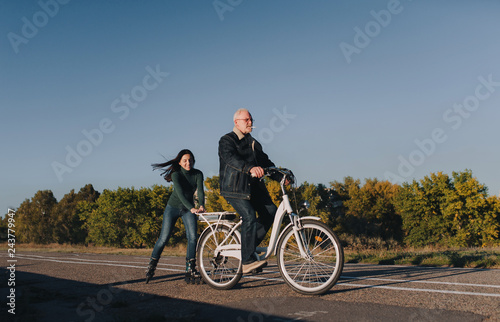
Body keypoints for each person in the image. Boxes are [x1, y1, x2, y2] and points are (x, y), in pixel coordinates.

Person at [218, 108, 285, 274]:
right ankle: (247, 260)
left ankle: (248, 249)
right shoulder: (227, 140)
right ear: (236, 122)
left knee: (271, 213)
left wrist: (281, 175)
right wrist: (250, 168)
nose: (250, 122)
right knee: (249, 215)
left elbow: (266, 162)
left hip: (253, 188)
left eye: (251, 119)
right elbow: (231, 159)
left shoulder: (254, 143)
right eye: (247, 120)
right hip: (234, 188)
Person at [145, 149, 205, 284]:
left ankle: (190, 269)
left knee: (193, 238)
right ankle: (152, 265)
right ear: (180, 162)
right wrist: (192, 208)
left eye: (190, 160)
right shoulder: (176, 175)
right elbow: (180, 194)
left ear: (194, 161)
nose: (188, 163)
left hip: (188, 210)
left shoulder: (198, 174)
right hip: (173, 208)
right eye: (185, 160)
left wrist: (201, 205)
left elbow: (200, 191)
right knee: (163, 239)